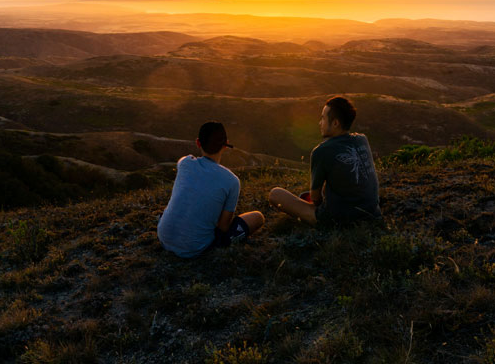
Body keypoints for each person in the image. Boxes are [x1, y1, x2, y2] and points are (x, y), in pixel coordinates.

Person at [157, 121, 264, 258]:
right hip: (194, 248)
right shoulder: (231, 181)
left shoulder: (184, 163)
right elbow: (223, 227)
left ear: (198, 143)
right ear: (225, 145)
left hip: (164, 237)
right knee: (257, 217)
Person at [268, 96, 381, 225]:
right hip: (372, 213)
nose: (320, 123)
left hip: (339, 220)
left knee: (275, 194)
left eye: (323, 118)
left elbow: (315, 198)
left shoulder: (321, 151)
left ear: (335, 123)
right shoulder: (362, 140)